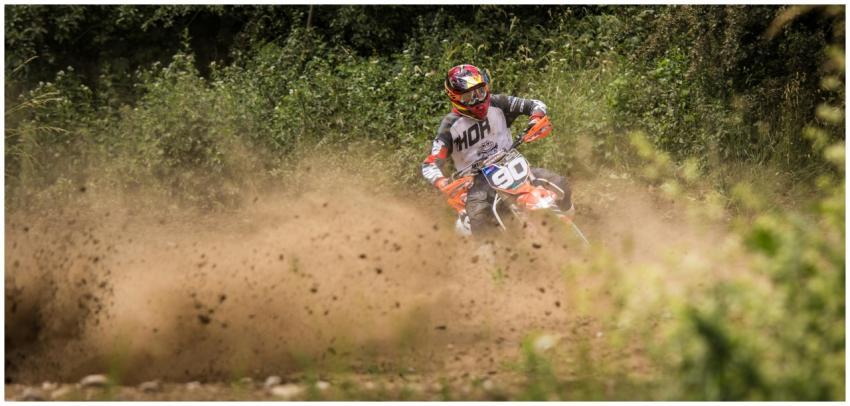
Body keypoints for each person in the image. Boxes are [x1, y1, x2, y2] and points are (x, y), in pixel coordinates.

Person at [421, 64, 574, 236]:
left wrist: (535, 120)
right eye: (469, 97)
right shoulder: (450, 126)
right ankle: (486, 252)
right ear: (455, 98)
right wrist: (442, 182)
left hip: (512, 168)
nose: (478, 100)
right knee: (479, 219)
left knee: (560, 184)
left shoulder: (498, 103)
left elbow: (535, 104)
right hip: (476, 181)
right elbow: (429, 164)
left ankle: (571, 234)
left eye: (480, 92)